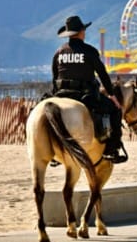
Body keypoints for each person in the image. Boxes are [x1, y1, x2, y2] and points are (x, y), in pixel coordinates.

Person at [52, 15, 128, 163]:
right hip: (85, 95)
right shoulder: (90, 51)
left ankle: (53, 153)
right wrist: (112, 96)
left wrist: (55, 95)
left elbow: (55, 78)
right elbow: (103, 75)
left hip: (61, 95)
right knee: (115, 110)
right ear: (81, 32)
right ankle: (112, 149)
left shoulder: (58, 52)